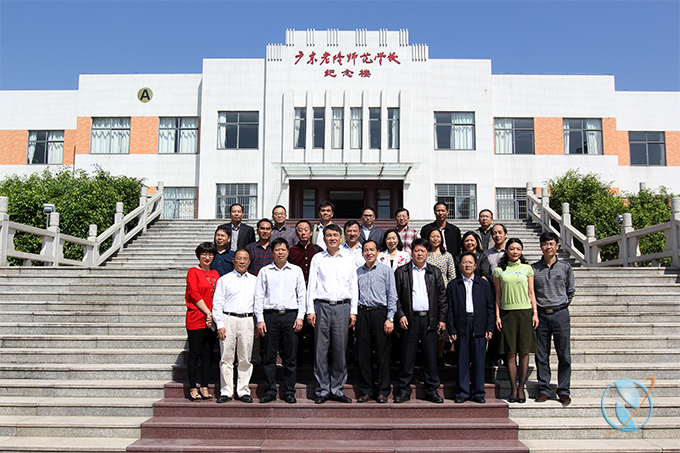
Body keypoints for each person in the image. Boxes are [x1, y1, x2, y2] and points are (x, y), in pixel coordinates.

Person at [306, 224, 358, 404]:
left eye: (336, 235)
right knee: (320, 350)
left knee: (340, 349)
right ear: (324, 238)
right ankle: (322, 389)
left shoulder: (348, 258)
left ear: (341, 238)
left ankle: (337, 388)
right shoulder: (318, 258)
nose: (332, 238)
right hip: (322, 306)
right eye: (329, 235)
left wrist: (353, 310)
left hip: (342, 307)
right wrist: (310, 309)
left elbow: (353, 285)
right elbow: (312, 284)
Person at [393, 238, 447, 404]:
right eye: (416, 250)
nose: (419, 254)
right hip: (409, 319)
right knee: (407, 357)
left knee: (430, 357)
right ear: (412, 253)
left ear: (427, 253)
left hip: (429, 320)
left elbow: (442, 297)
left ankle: (431, 390)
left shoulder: (435, 272)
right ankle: (404, 390)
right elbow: (395, 297)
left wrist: (442, 318)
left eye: (423, 251)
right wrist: (401, 315)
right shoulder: (401, 272)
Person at [254, 238, 306, 404]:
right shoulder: (265, 271)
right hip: (270, 316)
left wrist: (300, 316)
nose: (280, 252)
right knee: (269, 356)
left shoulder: (296, 270)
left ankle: (289, 391)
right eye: (277, 249)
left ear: (288, 252)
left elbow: (302, 295)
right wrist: (260, 319)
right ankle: (270, 391)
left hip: (291, 316)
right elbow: (259, 296)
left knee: (290, 356)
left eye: (283, 249)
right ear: (272, 252)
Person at [494, 238, 539, 404]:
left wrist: (535, 313)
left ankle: (521, 388)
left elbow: (531, 293)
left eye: (518, 249)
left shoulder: (527, 269)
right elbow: (498, 295)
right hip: (507, 313)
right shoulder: (499, 270)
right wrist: (498, 316)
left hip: (525, 312)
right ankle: (513, 388)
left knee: (524, 352)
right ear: (506, 250)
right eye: (512, 248)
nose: (515, 252)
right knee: (510, 352)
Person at [532, 232, 575, 405]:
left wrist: (561, 305)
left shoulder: (565, 267)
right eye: (545, 244)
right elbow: (531, 292)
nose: (548, 247)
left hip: (561, 314)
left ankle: (563, 390)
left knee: (564, 354)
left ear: (557, 246)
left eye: (551, 244)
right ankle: (544, 389)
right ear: (540, 246)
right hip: (541, 315)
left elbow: (570, 290)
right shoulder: (534, 268)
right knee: (541, 354)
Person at [446, 251, 494, 404]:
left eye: (470, 262)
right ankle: (462, 392)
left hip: (479, 323)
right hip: (461, 323)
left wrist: (490, 327)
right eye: (464, 262)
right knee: (462, 359)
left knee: (479, 360)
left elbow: (490, 307)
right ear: (460, 265)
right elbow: (450, 309)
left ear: (475, 265)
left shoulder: (483, 284)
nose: (467, 265)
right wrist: (451, 328)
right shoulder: (453, 285)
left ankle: (478, 392)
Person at [212, 249, 258, 404]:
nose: (242, 261)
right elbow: (217, 304)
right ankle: (226, 391)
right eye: (239, 258)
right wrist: (220, 324)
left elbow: (258, 303)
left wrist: (257, 322)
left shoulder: (255, 280)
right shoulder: (224, 280)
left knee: (245, 357)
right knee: (226, 357)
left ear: (249, 262)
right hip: (228, 319)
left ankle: (243, 390)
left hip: (247, 320)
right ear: (233, 260)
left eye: (245, 259)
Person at [355, 240, 397, 403]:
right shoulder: (358, 272)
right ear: (362, 253)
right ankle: (366, 390)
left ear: (378, 252)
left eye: (372, 250)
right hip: (363, 313)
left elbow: (392, 295)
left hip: (380, 313)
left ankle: (383, 391)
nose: (369, 253)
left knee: (382, 354)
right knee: (363, 354)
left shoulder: (386, 271)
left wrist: (390, 318)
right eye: (366, 250)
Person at [184, 242, 219, 401]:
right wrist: (208, 312)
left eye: (210, 254)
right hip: (197, 317)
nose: (207, 257)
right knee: (195, 354)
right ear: (199, 255)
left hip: (211, 320)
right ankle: (193, 387)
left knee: (207, 354)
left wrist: (213, 315)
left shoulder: (215, 273)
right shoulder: (193, 272)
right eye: (204, 254)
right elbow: (194, 293)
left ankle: (204, 386)